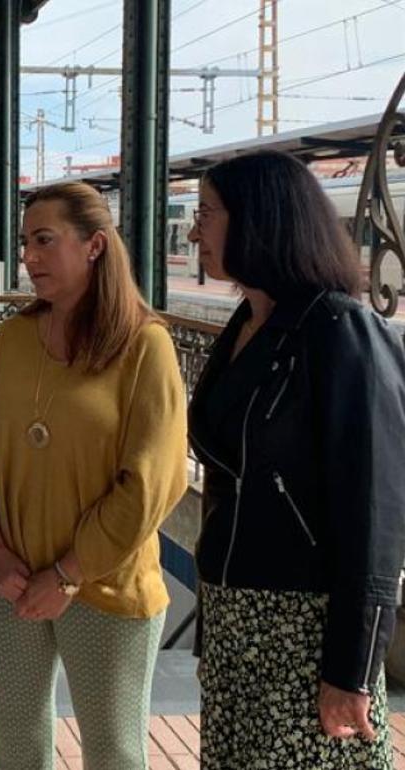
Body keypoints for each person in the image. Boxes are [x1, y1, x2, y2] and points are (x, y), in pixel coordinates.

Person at [186, 149, 405, 769]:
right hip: (239, 620)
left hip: (303, 630)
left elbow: (376, 513)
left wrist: (353, 669)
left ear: (260, 219)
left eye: (208, 214)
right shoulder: (250, 322)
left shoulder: (340, 331)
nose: (197, 230)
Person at [0, 181, 189, 770]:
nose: (29, 258)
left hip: (103, 586)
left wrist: (66, 573)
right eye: (24, 243)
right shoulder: (13, 337)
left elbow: (152, 485)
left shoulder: (146, 346)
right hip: (6, 579)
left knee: (114, 752)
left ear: (93, 245)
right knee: (16, 747)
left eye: (44, 241)